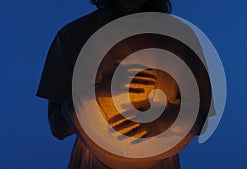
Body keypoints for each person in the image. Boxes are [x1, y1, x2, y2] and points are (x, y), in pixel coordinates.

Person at [36, 0, 191, 168]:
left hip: (160, 160)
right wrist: (101, 92)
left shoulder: (179, 37)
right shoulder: (74, 36)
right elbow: (58, 127)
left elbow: (202, 117)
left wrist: (163, 121)